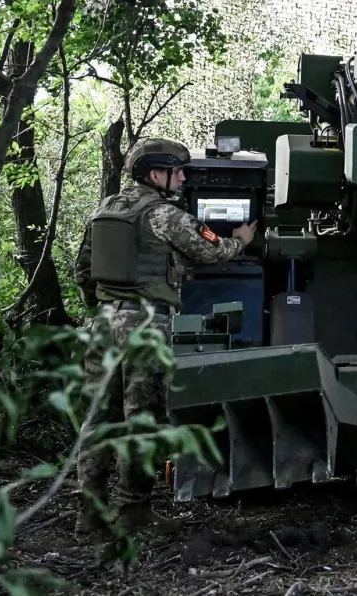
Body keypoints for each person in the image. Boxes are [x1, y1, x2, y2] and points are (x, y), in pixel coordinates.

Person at [73, 137, 256, 536]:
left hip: (102, 326)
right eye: (178, 171)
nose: (184, 178)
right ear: (156, 174)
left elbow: (82, 272)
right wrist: (241, 238)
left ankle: (89, 512)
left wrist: (108, 307)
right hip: (144, 328)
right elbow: (213, 250)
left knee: (98, 419)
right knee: (143, 420)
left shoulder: (104, 210)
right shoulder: (164, 215)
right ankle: (132, 511)